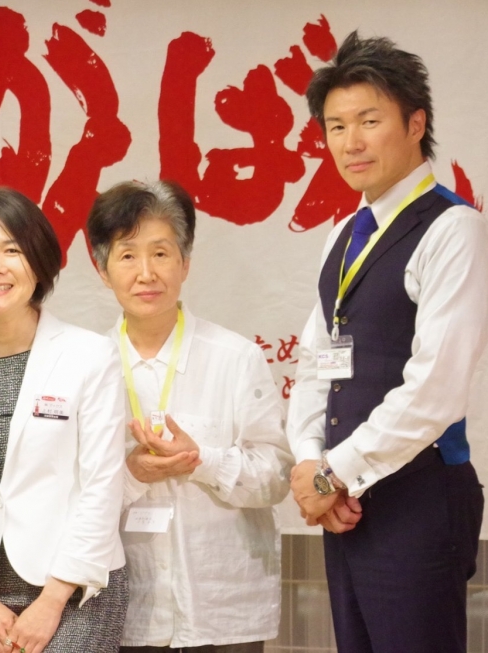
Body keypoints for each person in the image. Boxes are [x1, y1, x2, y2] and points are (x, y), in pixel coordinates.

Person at [287, 32, 488, 653]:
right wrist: (309, 462)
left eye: (369, 121)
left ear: (416, 123)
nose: (350, 142)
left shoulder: (455, 231)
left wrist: (331, 475)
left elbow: (435, 388)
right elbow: (315, 363)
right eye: (335, 127)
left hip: (418, 497)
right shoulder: (343, 235)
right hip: (344, 499)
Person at [85, 181, 292, 653]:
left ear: (185, 263)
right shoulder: (85, 366)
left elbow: (277, 478)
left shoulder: (236, 358)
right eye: (127, 256)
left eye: (160, 253)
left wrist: (203, 460)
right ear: (103, 270)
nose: (146, 273)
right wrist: (132, 473)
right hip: (125, 612)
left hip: (225, 612)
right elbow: (70, 496)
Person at [0, 187, 128, 653]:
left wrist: (52, 601)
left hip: (76, 587)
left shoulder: (89, 355)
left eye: (12, 250)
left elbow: (102, 487)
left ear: (39, 262)